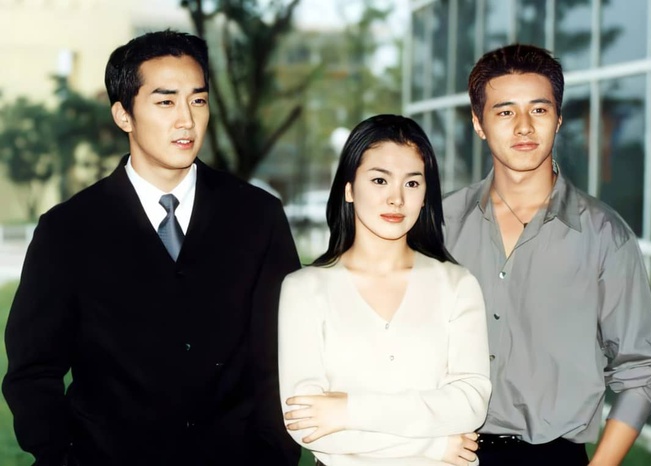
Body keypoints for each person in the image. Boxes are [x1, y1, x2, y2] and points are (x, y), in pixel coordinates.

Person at [2, 30, 301, 466]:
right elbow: (33, 371)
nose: (187, 120)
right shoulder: (67, 230)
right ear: (123, 115)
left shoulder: (258, 217)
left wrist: (274, 454)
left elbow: (282, 357)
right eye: (166, 102)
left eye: (198, 100)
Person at [442, 43, 651, 465]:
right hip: (444, 452)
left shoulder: (604, 235)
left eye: (539, 110)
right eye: (505, 112)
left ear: (558, 119)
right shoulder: (439, 224)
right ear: (478, 123)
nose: (524, 126)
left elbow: (643, 369)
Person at [278, 114, 492, 466]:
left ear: (425, 194)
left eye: (412, 183)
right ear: (349, 188)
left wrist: (348, 410)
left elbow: (470, 404)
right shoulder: (304, 290)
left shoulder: (458, 285)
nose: (397, 199)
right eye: (380, 180)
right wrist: (433, 446)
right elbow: (305, 423)